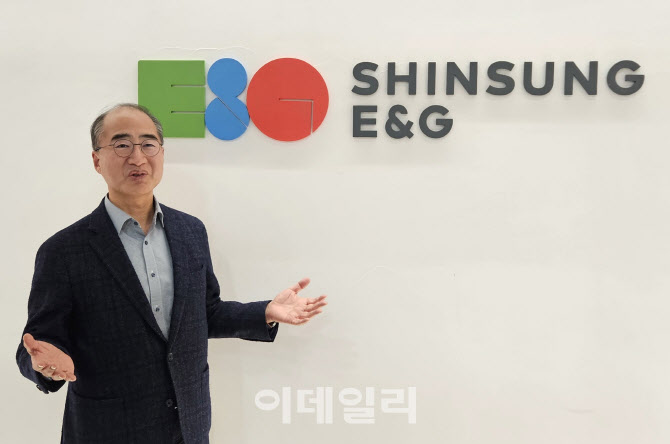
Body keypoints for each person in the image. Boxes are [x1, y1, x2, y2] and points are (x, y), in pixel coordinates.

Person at [15, 103, 328, 444]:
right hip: (107, 430)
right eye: (122, 145)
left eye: (148, 144)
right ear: (96, 160)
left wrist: (265, 311)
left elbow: (205, 313)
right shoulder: (63, 250)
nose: (137, 157)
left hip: (187, 427)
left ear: (161, 153)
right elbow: (37, 344)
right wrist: (44, 364)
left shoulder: (190, 231)